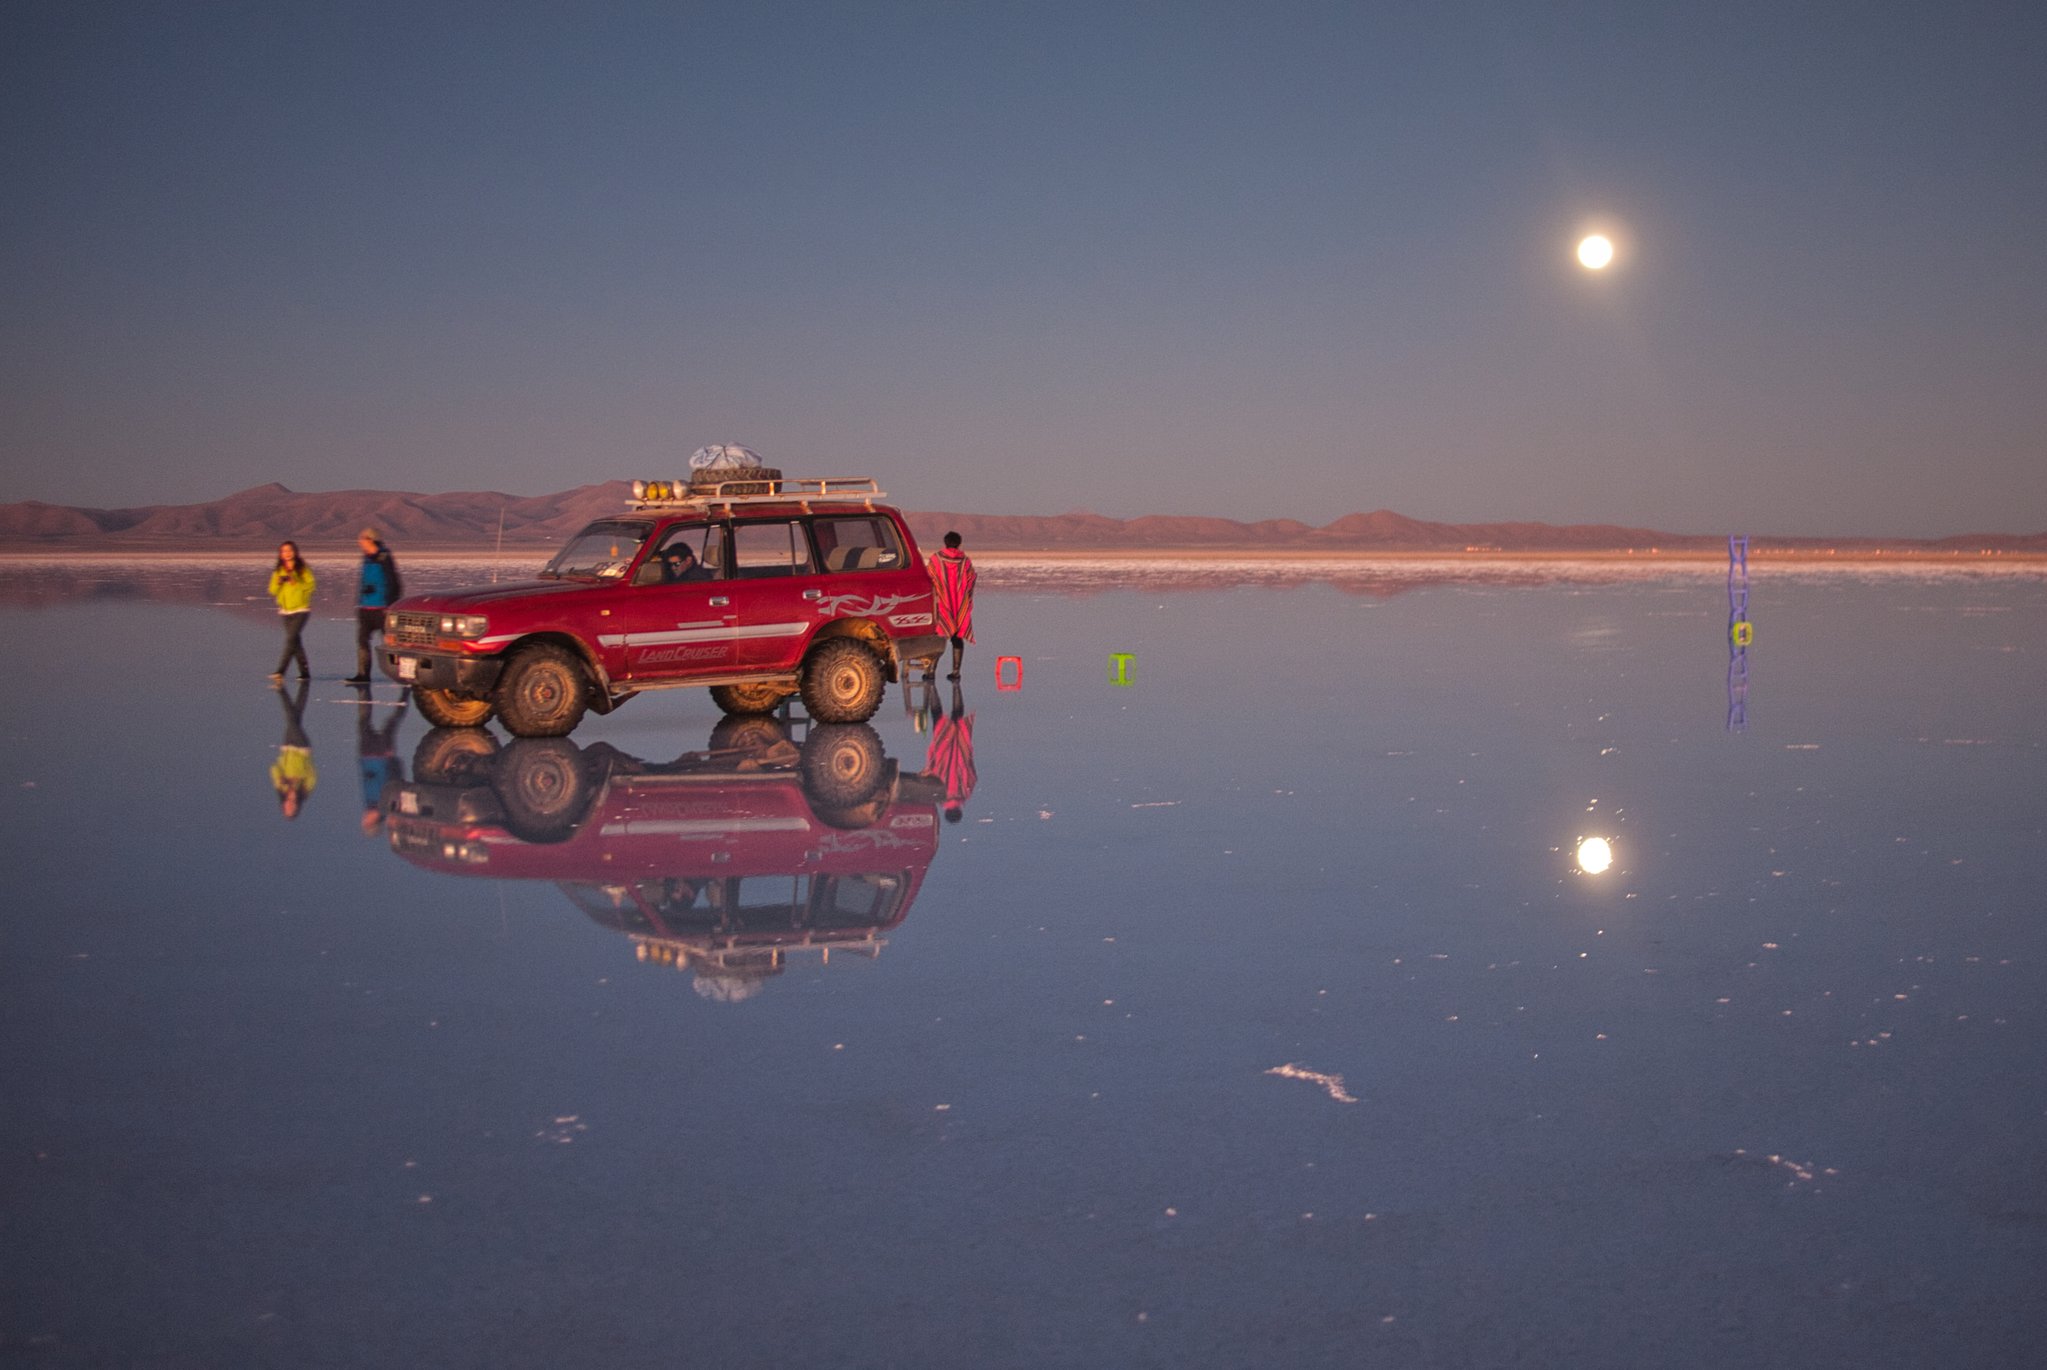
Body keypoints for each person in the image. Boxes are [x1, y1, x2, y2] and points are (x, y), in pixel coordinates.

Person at [346, 527, 402, 683]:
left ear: (370, 539)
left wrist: (391, 605)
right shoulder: (366, 558)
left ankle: (401, 673)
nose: (359, 542)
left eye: (362, 539)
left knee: (390, 642)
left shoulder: (384, 557)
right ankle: (363, 675)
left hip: (382, 608)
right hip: (365, 607)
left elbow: (394, 582)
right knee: (362, 641)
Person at [920, 682, 977, 823]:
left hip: (959, 747)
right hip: (942, 748)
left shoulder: (965, 792)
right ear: (946, 811)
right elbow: (931, 773)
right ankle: (931, 686)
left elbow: (971, 774)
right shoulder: (938, 795)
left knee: (957, 716)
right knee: (937, 717)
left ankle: (956, 687)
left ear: (959, 810)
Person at [926, 530, 976, 682]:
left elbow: (929, 577)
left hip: (942, 602)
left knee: (939, 636)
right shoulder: (965, 561)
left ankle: (931, 671)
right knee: (957, 637)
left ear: (945, 542)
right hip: (959, 603)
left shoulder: (936, 559)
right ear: (959, 543)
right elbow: (971, 579)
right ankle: (956, 672)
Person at [355, 687, 405, 836]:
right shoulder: (388, 806)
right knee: (392, 722)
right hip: (382, 756)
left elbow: (367, 779)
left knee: (364, 721)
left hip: (366, 754)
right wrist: (392, 759)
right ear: (373, 821)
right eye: (366, 822)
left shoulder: (368, 804)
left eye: (364, 821)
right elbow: (396, 779)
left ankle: (364, 692)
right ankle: (406, 692)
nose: (364, 818)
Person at [270, 678, 318, 820]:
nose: (290, 806)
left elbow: (273, 769)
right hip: (302, 749)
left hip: (287, 748)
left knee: (295, 716)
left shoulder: (281, 788)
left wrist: (281, 779)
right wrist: (300, 776)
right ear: (297, 807)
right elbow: (312, 775)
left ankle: (304, 686)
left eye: (287, 808)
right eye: (292, 809)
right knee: (291, 719)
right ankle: (281, 690)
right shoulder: (304, 791)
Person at [268, 540, 315, 680]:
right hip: (285, 611)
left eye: (289, 550)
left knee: (290, 640)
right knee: (295, 642)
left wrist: (296, 582)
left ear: (295, 552)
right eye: (284, 551)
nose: (287, 553)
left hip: (301, 610)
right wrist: (278, 583)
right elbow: (272, 590)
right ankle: (305, 672)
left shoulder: (302, 569)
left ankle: (281, 671)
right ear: (280, 554)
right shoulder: (279, 571)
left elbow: (311, 586)